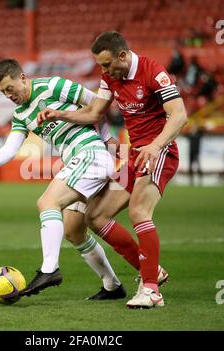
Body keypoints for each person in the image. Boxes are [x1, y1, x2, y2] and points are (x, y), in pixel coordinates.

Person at [37, 31, 188, 308]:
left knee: (139, 211)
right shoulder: (111, 77)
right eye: (100, 66)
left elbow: (179, 115)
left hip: (159, 151)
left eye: (107, 64)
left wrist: (155, 146)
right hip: (134, 156)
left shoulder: (153, 72)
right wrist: (60, 114)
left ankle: (151, 290)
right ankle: (151, 272)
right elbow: (94, 113)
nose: (104, 71)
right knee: (95, 215)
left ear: (122, 55)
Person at [0, 58, 126, 300]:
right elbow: (10, 148)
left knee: (47, 202)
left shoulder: (53, 86)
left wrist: (108, 139)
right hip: (78, 160)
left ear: (23, 78)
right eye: (2, 92)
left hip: (91, 152)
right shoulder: (20, 115)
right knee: (73, 230)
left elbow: (97, 104)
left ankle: (50, 269)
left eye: (10, 88)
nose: (8, 95)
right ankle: (112, 285)